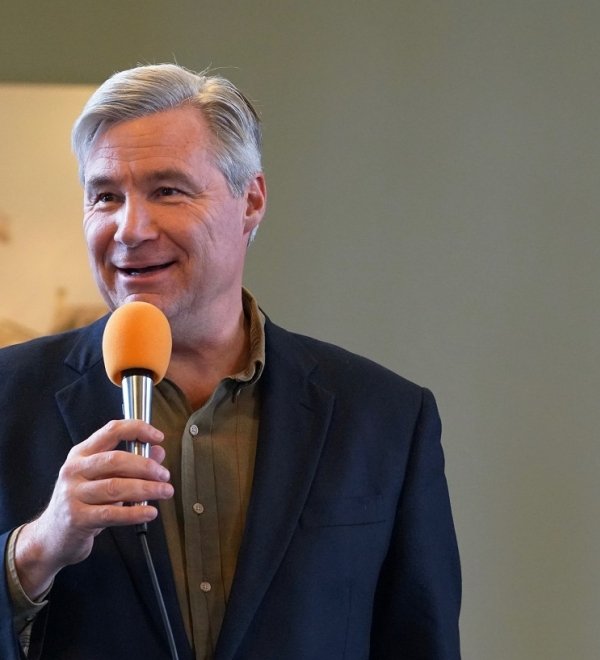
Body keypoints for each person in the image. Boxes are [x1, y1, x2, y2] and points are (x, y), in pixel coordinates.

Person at [0, 64, 461, 660]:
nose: (129, 228)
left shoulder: (385, 418)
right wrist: (36, 550)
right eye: (106, 196)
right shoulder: (9, 398)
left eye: (167, 190)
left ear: (251, 200)